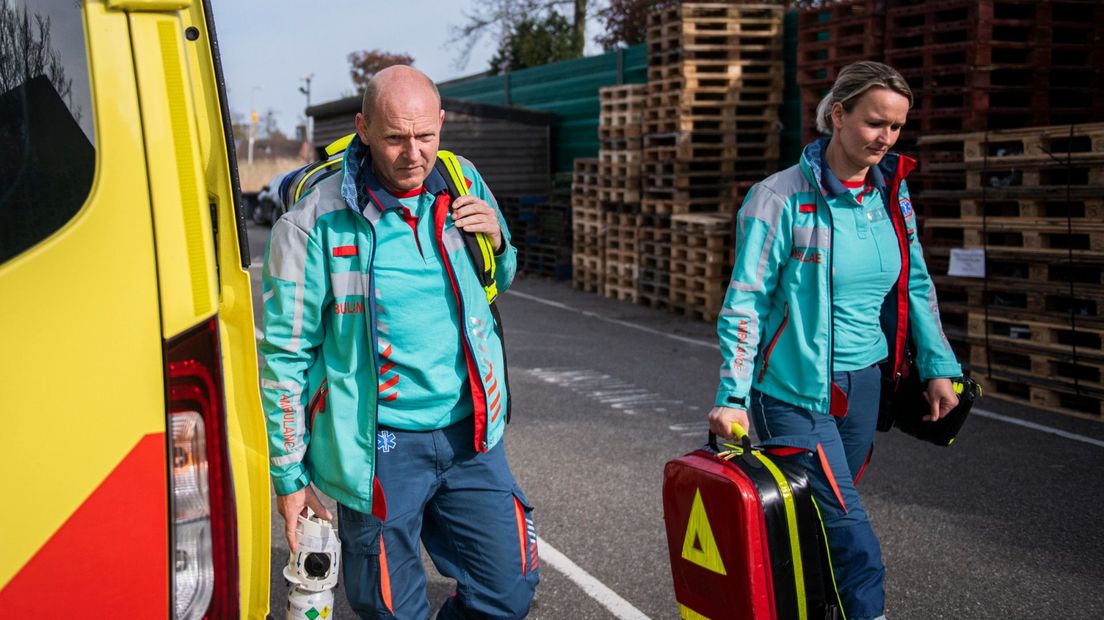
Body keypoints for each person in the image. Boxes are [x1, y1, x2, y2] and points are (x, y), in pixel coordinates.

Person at [260, 65, 539, 619]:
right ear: (363, 128)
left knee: (507, 593)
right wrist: (289, 478)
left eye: (425, 136)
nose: (414, 153)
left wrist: (499, 242)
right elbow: (284, 356)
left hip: (471, 438)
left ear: (441, 123)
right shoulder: (312, 223)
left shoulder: (463, 182)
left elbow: (496, 279)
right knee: (389, 608)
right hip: (380, 451)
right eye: (395, 138)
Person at [708, 61, 961, 620]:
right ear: (838, 115)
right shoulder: (777, 198)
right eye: (875, 123)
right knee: (853, 537)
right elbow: (744, 302)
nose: (885, 138)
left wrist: (939, 367)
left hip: (865, 386)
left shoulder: (892, 194)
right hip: (793, 395)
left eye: (896, 128)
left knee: (819, 526)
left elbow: (914, 281)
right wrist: (732, 396)